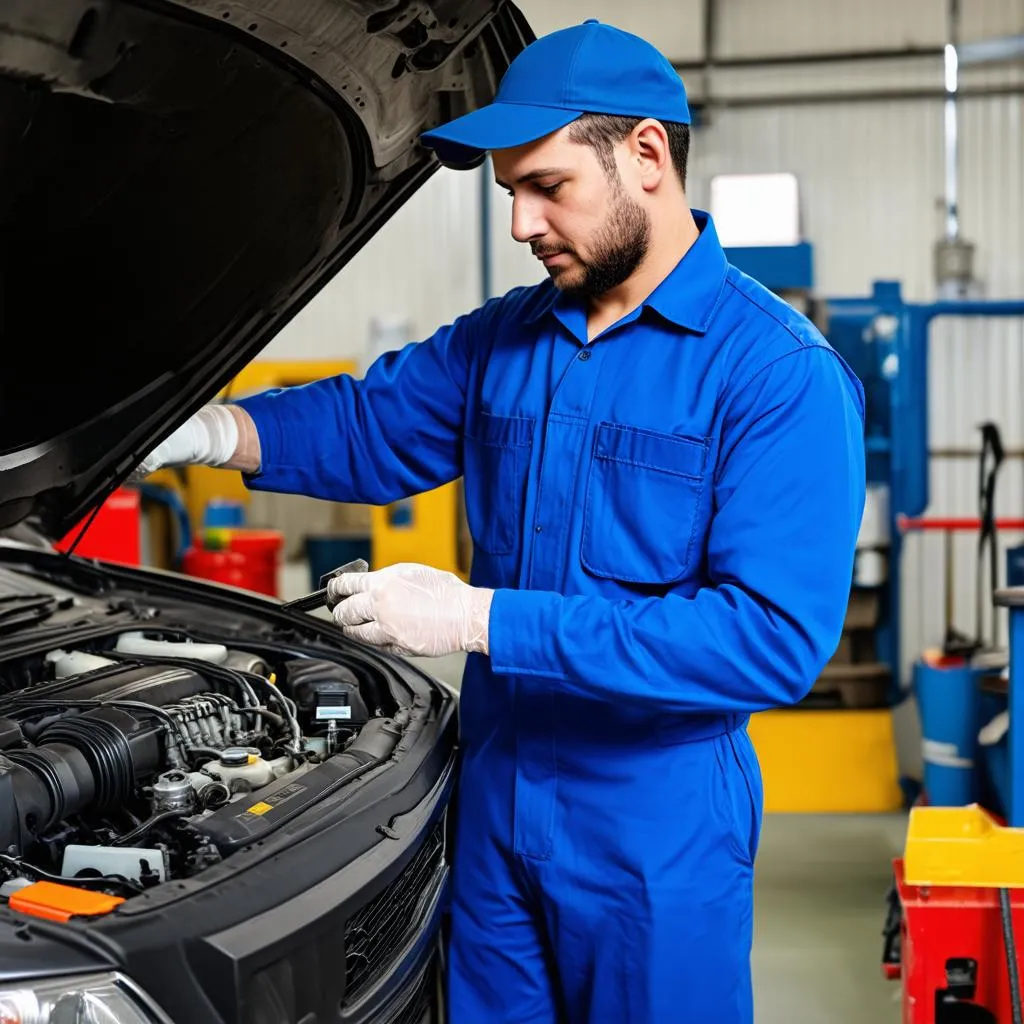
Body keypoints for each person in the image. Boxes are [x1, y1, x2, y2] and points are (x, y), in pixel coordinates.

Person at [135, 19, 866, 1024]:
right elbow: (367, 423)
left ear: (646, 156)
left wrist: (481, 620)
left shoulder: (776, 376)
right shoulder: (507, 339)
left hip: (651, 831)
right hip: (493, 802)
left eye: (546, 186)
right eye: (508, 192)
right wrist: (208, 431)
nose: (520, 222)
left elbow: (767, 642)